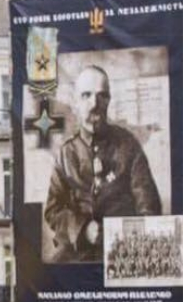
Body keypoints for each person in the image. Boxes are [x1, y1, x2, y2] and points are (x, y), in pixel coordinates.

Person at [44, 65, 161, 263]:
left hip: (122, 251)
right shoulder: (66, 153)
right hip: (77, 251)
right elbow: (53, 210)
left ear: (109, 100)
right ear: (75, 102)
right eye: (86, 95)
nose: (94, 104)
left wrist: (125, 242)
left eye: (101, 95)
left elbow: (149, 206)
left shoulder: (128, 145)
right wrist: (82, 229)